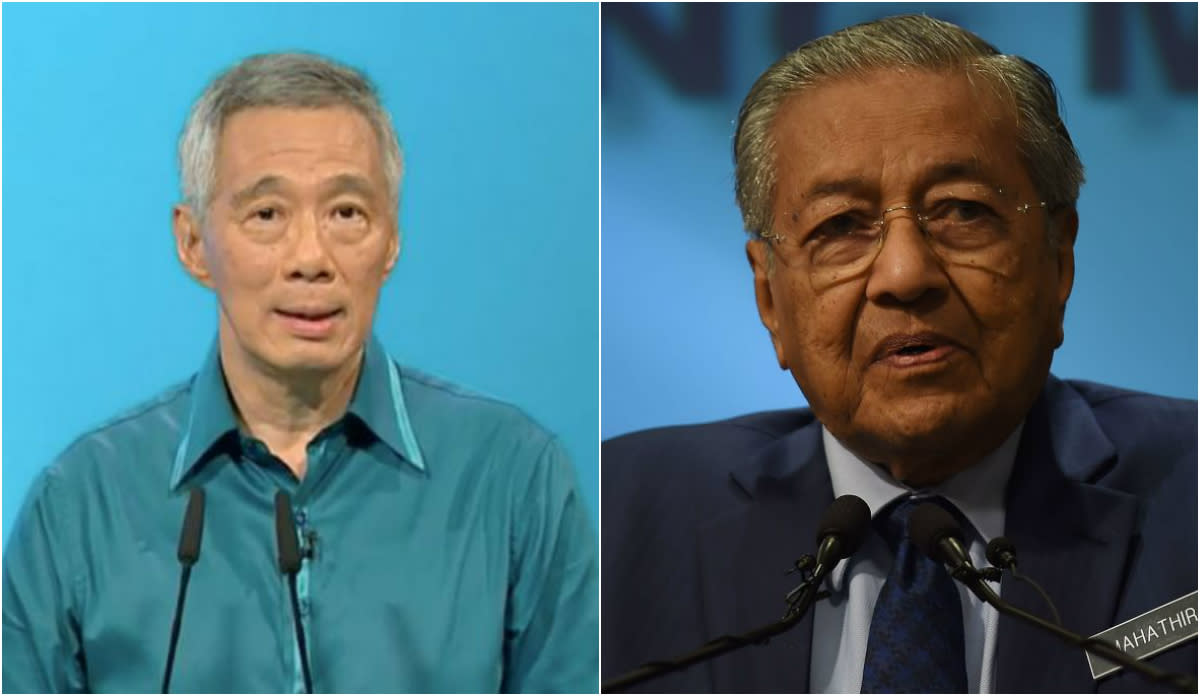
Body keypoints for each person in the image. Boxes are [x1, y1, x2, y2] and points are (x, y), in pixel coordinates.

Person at [602, 15, 1196, 693]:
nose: (905, 274)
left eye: (963, 211)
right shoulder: (618, 513)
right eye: (841, 227)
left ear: (1057, 260)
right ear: (769, 298)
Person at [3, 52, 598, 694]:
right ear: (193, 244)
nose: (311, 259)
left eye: (347, 213)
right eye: (267, 215)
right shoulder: (84, 504)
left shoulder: (510, 479)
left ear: (391, 240)